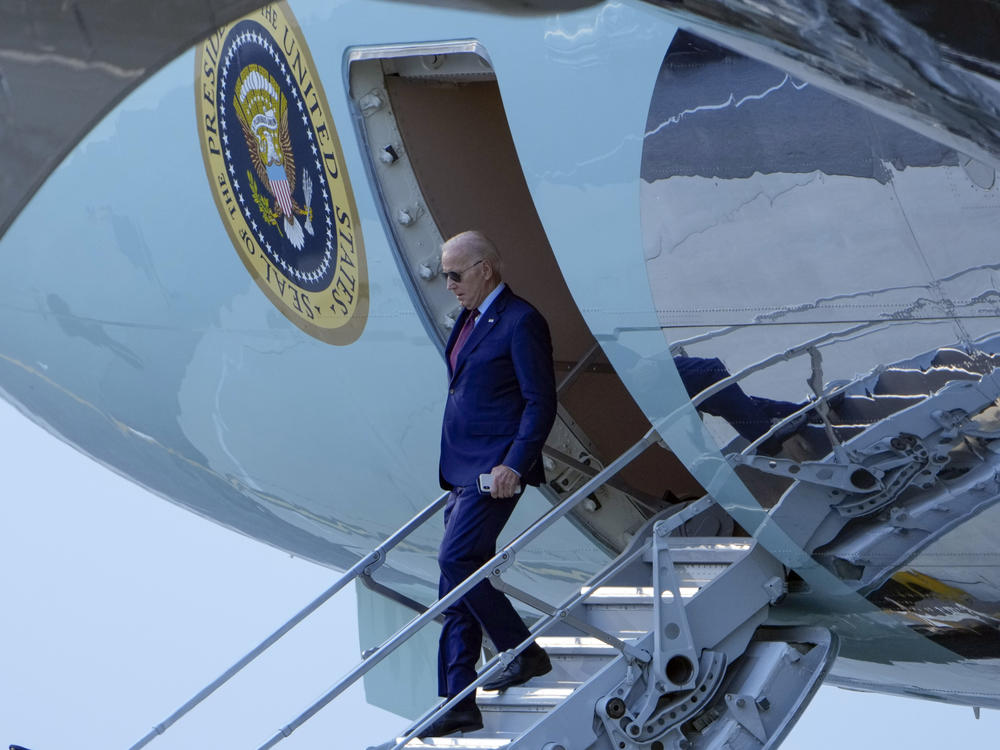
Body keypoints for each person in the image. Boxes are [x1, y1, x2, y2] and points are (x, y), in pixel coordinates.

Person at [420, 230, 558, 739]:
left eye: (456, 274)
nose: (449, 285)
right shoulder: (470, 317)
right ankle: (457, 698)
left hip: (495, 472)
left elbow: (540, 401)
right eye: (444, 275)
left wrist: (515, 465)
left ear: (487, 269)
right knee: (455, 586)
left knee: (456, 562)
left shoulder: (521, 321)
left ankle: (523, 651)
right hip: (460, 472)